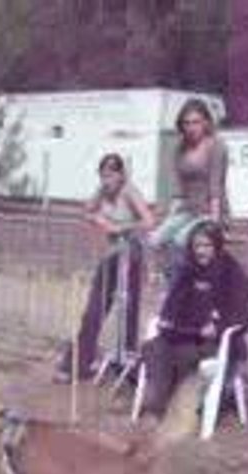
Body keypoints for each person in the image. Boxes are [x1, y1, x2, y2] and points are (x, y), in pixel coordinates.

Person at [55, 153, 155, 383]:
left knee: (128, 312)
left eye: (111, 175)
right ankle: (77, 364)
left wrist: (122, 227)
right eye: (103, 175)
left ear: (121, 175)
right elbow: (87, 211)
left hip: (131, 255)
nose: (106, 180)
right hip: (111, 256)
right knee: (94, 310)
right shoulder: (101, 192)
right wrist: (99, 221)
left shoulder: (129, 192)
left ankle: (126, 367)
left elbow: (149, 221)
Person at [139, 220, 248, 418]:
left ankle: (170, 407)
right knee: (153, 347)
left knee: (184, 354)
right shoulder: (186, 270)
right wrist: (167, 321)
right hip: (183, 334)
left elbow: (243, 314)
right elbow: (170, 308)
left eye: (207, 246)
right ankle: (158, 406)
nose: (201, 251)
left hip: (218, 342)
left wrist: (219, 326)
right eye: (197, 246)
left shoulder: (233, 273)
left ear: (217, 246)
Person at [148, 98, 229, 286]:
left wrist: (216, 225)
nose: (191, 127)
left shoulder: (216, 146)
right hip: (187, 210)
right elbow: (179, 189)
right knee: (155, 239)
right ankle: (170, 284)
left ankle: (180, 288)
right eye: (186, 123)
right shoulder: (180, 147)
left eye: (196, 122)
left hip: (210, 210)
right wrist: (168, 219)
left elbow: (216, 187)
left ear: (206, 123)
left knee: (180, 241)